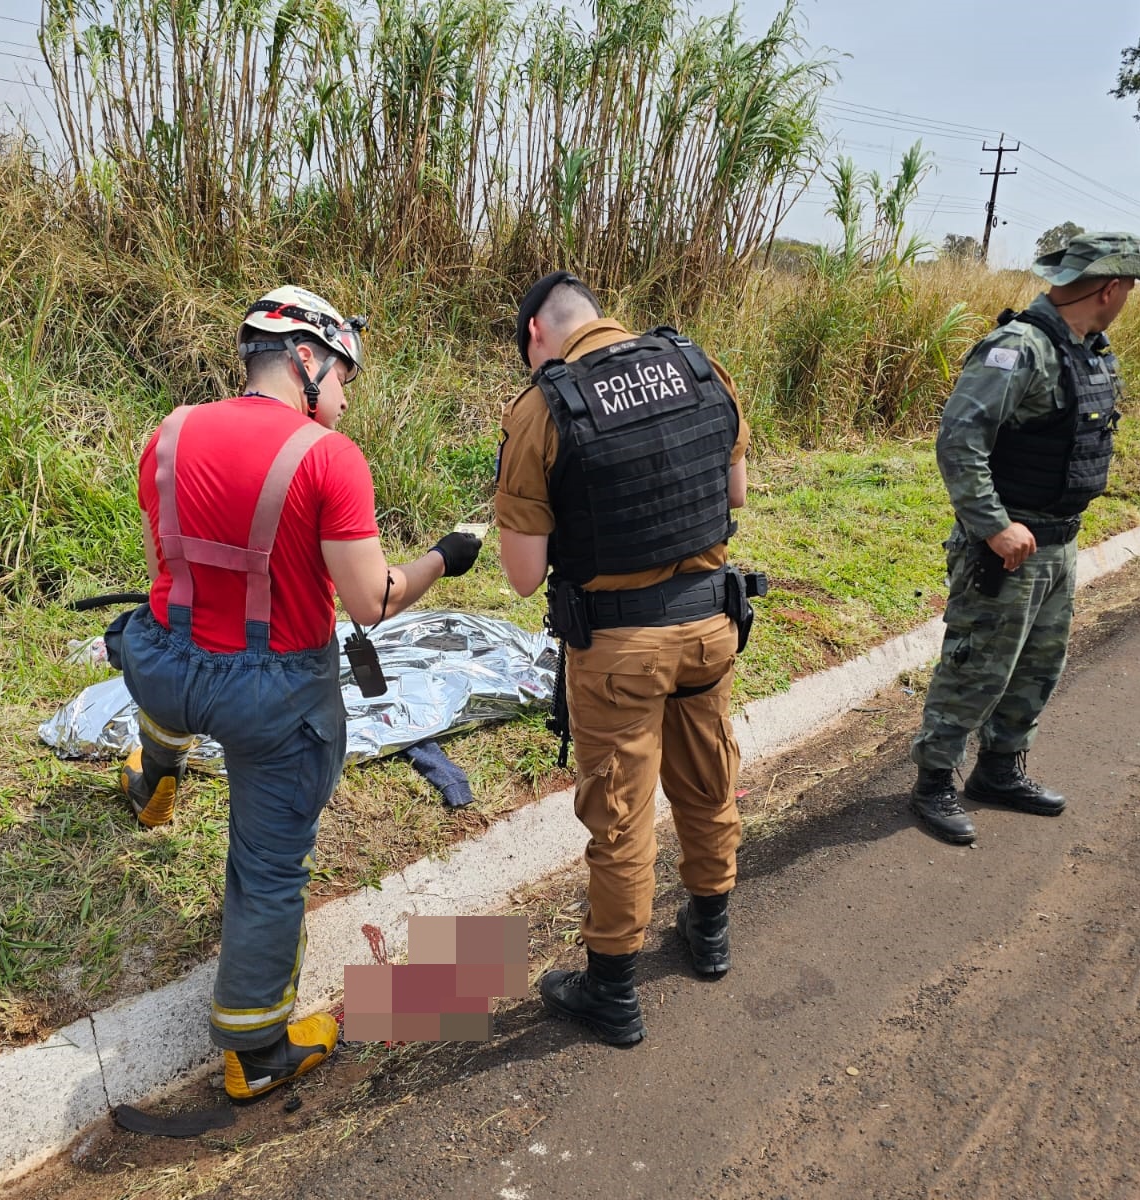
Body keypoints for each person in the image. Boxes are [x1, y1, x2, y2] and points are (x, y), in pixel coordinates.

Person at [104, 286, 482, 1098]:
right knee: (270, 869)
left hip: (166, 667)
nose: (344, 398)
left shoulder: (167, 432)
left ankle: (155, 775)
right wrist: (446, 558)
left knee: (163, 659)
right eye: (344, 375)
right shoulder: (327, 457)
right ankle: (256, 1051)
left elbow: (162, 571)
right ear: (307, 359)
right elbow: (371, 601)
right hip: (271, 697)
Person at [495, 271, 760, 1045]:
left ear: (538, 334)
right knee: (710, 779)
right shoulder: (699, 365)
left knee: (620, 818)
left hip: (618, 653)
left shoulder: (545, 405)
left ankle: (612, 990)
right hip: (711, 627)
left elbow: (521, 577)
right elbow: (734, 493)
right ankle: (709, 935)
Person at [909, 233, 1140, 845]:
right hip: (1005, 548)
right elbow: (959, 441)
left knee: (1036, 667)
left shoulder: (1091, 351)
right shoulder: (1019, 348)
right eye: (1128, 285)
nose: (1128, 296)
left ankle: (999, 771)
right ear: (1111, 288)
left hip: (1058, 544)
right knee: (978, 666)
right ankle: (934, 782)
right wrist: (994, 526)